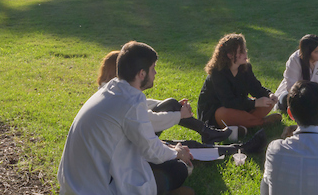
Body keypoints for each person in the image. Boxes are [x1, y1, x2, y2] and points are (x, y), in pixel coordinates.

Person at [59, 41, 195, 195]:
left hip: (73, 184)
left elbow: (143, 133)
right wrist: (177, 153)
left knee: (165, 159)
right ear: (141, 73)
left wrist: (170, 148)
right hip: (94, 191)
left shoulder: (113, 87)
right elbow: (151, 151)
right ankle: (164, 192)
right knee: (179, 170)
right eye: (153, 68)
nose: (155, 73)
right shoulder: (131, 101)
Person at [96, 51, 241, 143]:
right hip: (128, 141)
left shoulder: (112, 91)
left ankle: (212, 137)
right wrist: (178, 114)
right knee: (179, 148)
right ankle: (208, 134)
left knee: (172, 106)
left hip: (132, 137)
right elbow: (145, 118)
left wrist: (173, 107)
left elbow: (142, 105)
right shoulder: (115, 94)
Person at [196, 33, 283, 130]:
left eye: (245, 50)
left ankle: (244, 124)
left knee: (268, 102)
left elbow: (255, 87)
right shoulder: (217, 73)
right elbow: (228, 102)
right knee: (224, 113)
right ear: (230, 55)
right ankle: (260, 122)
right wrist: (255, 103)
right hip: (218, 112)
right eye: (241, 52)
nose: (245, 54)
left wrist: (269, 94)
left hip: (240, 106)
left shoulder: (245, 67)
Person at [273, 35, 318, 116]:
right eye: (317, 52)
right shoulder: (294, 60)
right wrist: (308, 98)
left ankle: (310, 112)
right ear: (307, 53)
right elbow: (291, 86)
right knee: (285, 98)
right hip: (299, 95)